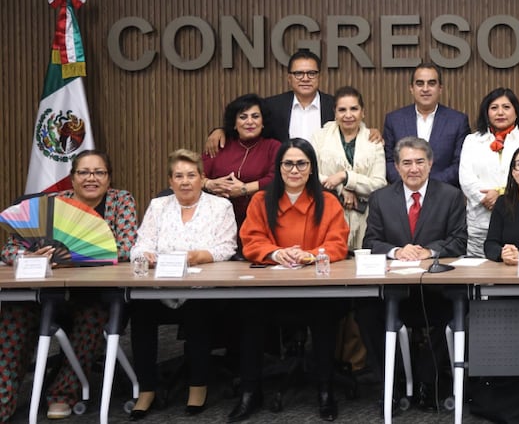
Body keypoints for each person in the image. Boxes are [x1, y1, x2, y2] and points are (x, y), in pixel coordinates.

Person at [0, 150, 137, 421]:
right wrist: (27, 257)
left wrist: (74, 259)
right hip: (45, 292)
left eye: (99, 172)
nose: (91, 178)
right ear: (72, 178)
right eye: (83, 172)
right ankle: (3, 399)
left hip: (95, 296)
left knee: (92, 318)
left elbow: (126, 245)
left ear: (108, 179)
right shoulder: (51, 204)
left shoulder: (120, 201)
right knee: (12, 316)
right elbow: (10, 248)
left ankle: (63, 394)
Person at [227, 139, 349, 423]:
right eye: (288, 163)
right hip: (271, 290)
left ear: (311, 168)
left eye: (301, 163)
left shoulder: (328, 201)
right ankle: (250, 392)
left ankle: (325, 389)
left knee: (325, 313)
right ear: (279, 168)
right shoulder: (261, 200)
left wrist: (309, 255)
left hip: (316, 290)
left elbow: (338, 244)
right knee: (249, 313)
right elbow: (250, 241)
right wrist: (276, 252)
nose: (294, 170)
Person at [128, 149, 237, 418]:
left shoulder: (220, 206)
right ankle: (147, 388)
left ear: (202, 178)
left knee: (197, 311)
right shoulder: (158, 206)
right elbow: (139, 247)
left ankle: (197, 386)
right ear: (170, 181)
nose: (185, 181)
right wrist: (145, 256)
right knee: (140, 311)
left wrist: (200, 256)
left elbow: (227, 247)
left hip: (203, 289)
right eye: (179, 176)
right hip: (161, 287)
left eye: (191, 175)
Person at [361, 137, 467, 410]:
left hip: (436, 290)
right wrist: (397, 251)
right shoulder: (381, 198)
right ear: (396, 167)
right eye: (406, 162)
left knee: (460, 308)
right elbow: (370, 242)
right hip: (396, 291)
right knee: (365, 311)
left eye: (420, 161)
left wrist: (428, 251)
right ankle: (392, 387)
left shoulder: (451, 196)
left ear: (431, 164)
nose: (414, 168)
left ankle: (427, 381)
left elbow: (458, 241)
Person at [204, 50, 382, 153]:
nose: (305, 78)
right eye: (299, 74)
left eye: (311, 73)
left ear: (320, 76)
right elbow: (248, 129)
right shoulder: (271, 106)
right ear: (289, 78)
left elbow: (353, 130)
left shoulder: (335, 106)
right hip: (284, 181)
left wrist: (370, 132)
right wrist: (220, 130)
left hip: (327, 183)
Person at [460, 88, 519, 256]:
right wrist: (485, 198)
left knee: (514, 265)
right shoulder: (472, 141)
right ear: (486, 112)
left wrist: (501, 197)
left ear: (516, 112)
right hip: (480, 219)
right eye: (494, 107)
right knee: (479, 273)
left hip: (515, 218)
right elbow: (466, 177)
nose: (500, 112)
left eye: (506, 107)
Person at [310, 86, 387, 251]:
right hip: (328, 214)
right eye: (342, 110)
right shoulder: (320, 137)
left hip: (366, 217)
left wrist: (346, 177)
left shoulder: (373, 141)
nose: (348, 115)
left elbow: (379, 184)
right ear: (335, 113)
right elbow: (310, 173)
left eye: (354, 109)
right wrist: (341, 187)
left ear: (363, 112)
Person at [382, 63, 470, 187]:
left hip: (443, 196)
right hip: (404, 196)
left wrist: (429, 186)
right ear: (411, 89)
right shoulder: (394, 119)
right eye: (420, 83)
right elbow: (388, 161)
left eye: (431, 83)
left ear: (440, 88)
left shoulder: (458, 121)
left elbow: (460, 164)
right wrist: (409, 184)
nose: (425, 89)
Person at [202, 93, 280, 229]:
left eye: (255, 116)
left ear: (263, 122)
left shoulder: (273, 147)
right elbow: (195, 175)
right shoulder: (220, 144)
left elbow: (277, 178)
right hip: (215, 220)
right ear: (234, 123)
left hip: (259, 219)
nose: (249, 122)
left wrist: (244, 189)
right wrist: (209, 183)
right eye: (243, 117)